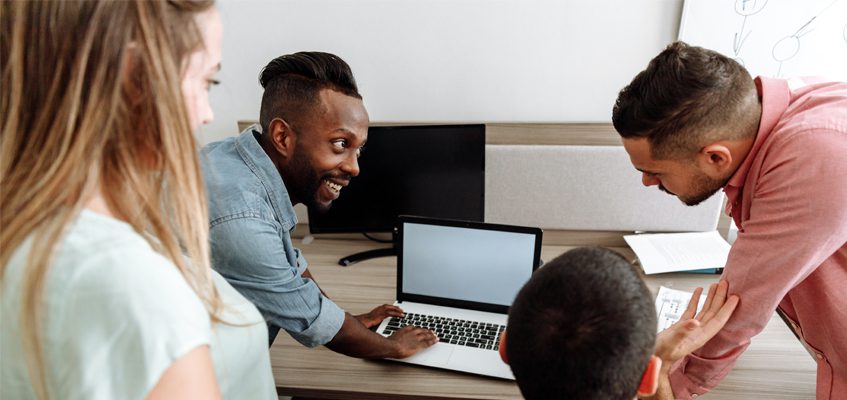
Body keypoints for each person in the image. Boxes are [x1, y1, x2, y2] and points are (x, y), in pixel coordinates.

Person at [0, 1, 275, 398]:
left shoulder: (27, 230)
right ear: (134, 76)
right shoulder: (130, 285)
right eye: (205, 82)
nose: (205, 113)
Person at [612, 41, 847, 399]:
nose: (646, 182)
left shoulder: (814, 156)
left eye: (654, 171)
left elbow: (736, 309)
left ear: (716, 157)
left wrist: (661, 387)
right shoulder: (778, 113)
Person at [200, 52, 437, 358]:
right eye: (340, 144)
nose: (354, 168)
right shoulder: (244, 218)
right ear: (282, 136)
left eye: (358, 149)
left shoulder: (234, 158)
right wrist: (394, 346)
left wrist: (347, 320)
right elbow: (313, 322)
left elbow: (290, 270)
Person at [498, 247, 739, 400]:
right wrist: (661, 369)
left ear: (504, 347)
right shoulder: (651, 381)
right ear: (647, 381)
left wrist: (653, 366)